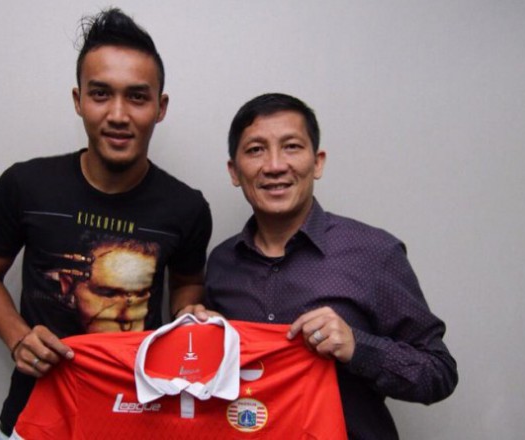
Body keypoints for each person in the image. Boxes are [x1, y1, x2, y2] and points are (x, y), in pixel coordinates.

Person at [0, 8, 212, 439]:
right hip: (35, 416)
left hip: (140, 418)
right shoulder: (25, 185)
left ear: (160, 107)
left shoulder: (187, 207)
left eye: (137, 97)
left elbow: (187, 283)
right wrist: (18, 337)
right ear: (78, 100)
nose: (118, 114)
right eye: (101, 94)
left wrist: (186, 315)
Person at [178, 93, 458, 439]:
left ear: (318, 162)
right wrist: (199, 338)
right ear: (234, 172)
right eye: (256, 150)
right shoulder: (222, 262)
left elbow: (439, 373)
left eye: (292, 147)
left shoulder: (374, 253)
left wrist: (357, 347)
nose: (275, 165)